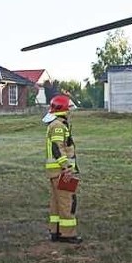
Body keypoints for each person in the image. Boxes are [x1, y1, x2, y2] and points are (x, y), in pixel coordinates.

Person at [44, 94, 82, 244]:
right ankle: (68, 234)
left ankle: (55, 231)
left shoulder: (54, 124)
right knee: (68, 202)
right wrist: (66, 167)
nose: (70, 112)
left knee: (56, 203)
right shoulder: (59, 126)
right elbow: (57, 148)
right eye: (69, 109)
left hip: (55, 172)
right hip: (62, 171)